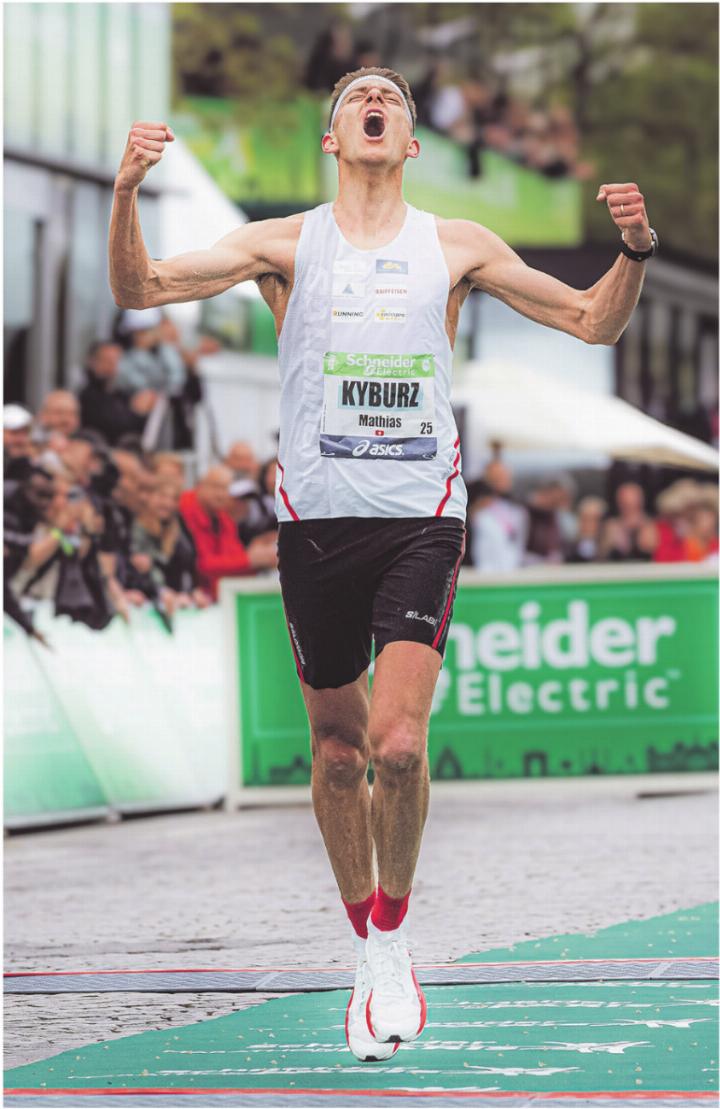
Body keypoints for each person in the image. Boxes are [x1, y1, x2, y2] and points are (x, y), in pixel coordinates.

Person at [109, 66, 656, 1061]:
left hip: (420, 519)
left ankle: (390, 943)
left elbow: (591, 320)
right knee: (338, 752)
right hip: (317, 522)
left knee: (399, 744)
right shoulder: (284, 244)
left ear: (408, 142)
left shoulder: (457, 245)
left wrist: (634, 250)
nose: (377, 100)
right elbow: (139, 288)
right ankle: (365, 933)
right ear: (335, 139)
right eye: (359, 95)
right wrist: (125, 193)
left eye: (394, 99)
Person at [178, 466, 276, 600]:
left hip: (215, 596)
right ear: (199, 486)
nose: (220, 494)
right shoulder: (186, 510)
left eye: (225, 488)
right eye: (215, 487)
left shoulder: (222, 518)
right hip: (190, 595)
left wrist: (260, 558)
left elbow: (233, 556)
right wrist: (251, 560)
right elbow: (202, 565)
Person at [78, 340, 151, 446]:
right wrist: (138, 412)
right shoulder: (86, 397)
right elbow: (114, 429)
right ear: (92, 362)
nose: (113, 366)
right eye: (107, 360)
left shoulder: (121, 394)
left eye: (117, 360)